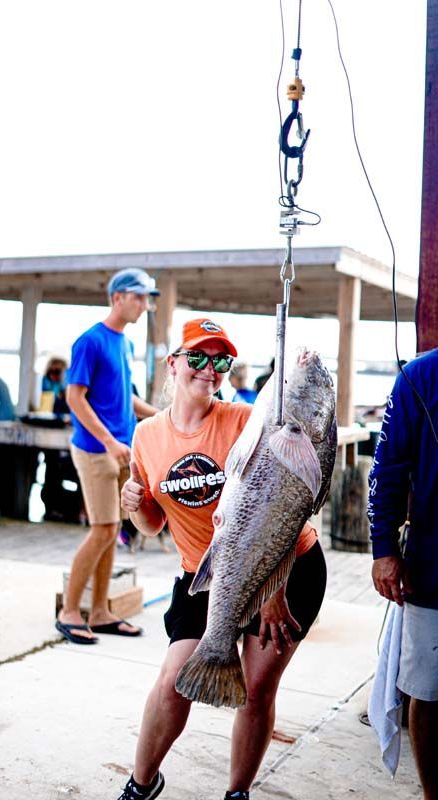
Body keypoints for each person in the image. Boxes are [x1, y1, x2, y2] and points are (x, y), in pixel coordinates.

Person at [117, 317, 327, 800]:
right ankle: (141, 783)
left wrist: (272, 591)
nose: (209, 369)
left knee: (255, 690)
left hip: (289, 570)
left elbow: (289, 501)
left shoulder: (245, 421)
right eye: (197, 357)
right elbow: (153, 526)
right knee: (174, 680)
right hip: (206, 573)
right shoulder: (147, 435)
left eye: (221, 361)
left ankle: (237, 792)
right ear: (173, 364)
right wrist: (137, 506)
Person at [55, 268, 160, 644]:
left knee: (113, 530)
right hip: (95, 450)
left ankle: (99, 612)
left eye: (148, 298)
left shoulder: (125, 344)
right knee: (102, 529)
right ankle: (70, 612)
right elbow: (74, 398)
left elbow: (124, 398)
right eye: (139, 297)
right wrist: (109, 442)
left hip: (120, 448)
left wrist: (163, 415)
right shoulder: (90, 341)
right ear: (117, 297)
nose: (145, 304)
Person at [368, 343, 438, 800]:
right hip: (435, 566)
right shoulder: (420, 375)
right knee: (429, 688)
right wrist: (383, 548)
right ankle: (432, 795)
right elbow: (388, 467)